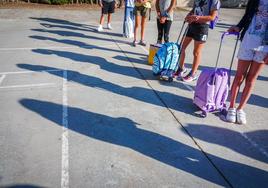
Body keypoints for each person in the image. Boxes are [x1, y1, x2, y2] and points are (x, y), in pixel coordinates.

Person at [226, 0, 268, 125]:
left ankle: (241, 109)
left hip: (265, 45)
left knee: (251, 79)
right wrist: (238, 27)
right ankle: (232, 108)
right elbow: (247, 15)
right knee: (239, 76)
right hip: (249, 38)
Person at [175, 0, 220, 82]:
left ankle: (193, 74)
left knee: (196, 52)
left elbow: (212, 17)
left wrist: (198, 18)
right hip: (192, 25)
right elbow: (194, 10)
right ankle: (181, 69)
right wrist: (189, 15)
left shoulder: (214, 1)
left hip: (202, 27)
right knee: (181, 47)